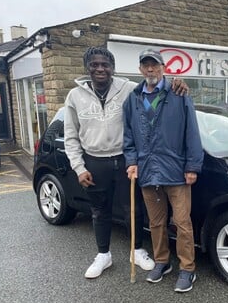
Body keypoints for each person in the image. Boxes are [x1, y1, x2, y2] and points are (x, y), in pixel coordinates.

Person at [64, 46, 188, 279]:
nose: (100, 68)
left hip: (125, 160)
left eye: (105, 64)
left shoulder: (129, 89)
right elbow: (71, 135)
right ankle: (103, 255)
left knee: (133, 208)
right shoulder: (74, 96)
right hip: (94, 162)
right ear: (87, 68)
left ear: (113, 68)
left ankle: (137, 250)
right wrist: (79, 168)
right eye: (95, 64)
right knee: (99, 211)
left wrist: (177, 83)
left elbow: (155, 85)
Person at [123, 48, 204, 293]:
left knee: (182, 223)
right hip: (147, 172)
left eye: (155, 65)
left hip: (176, 171)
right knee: (156, 223)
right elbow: (128, 135)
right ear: (140, 69)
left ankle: (187, 268)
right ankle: (161, 262)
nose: (150, 69)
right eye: (146, 65)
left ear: (163, 67)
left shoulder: (179, 94)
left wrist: (192, 166)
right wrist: (131, 161)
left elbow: (192, 132)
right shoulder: (133, 99)